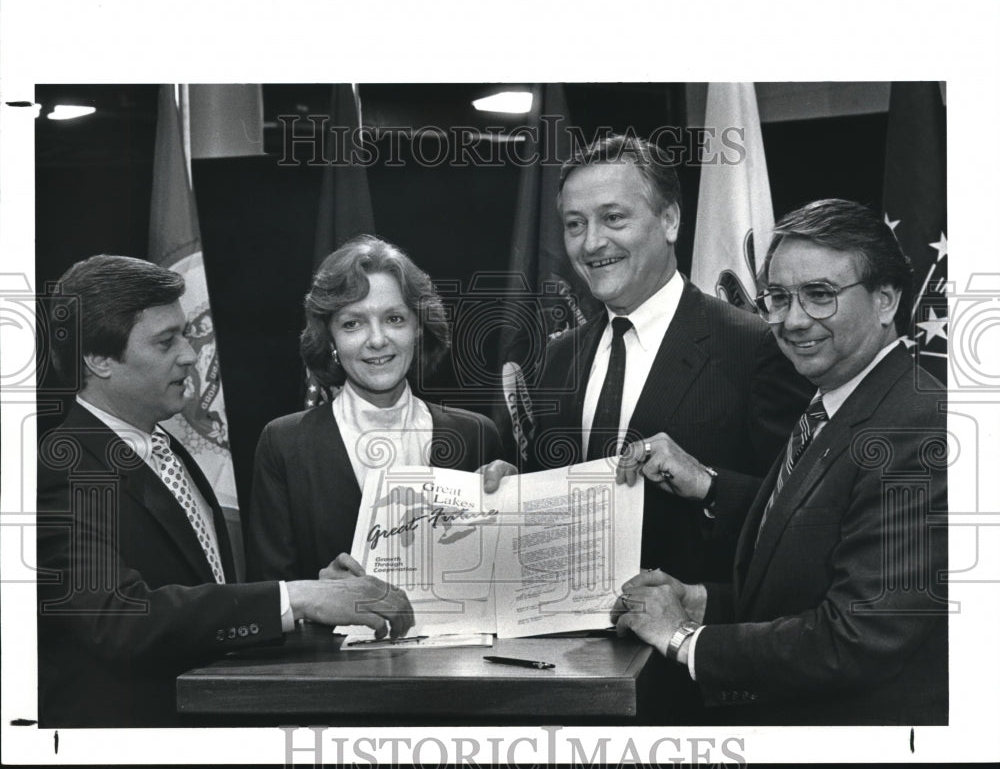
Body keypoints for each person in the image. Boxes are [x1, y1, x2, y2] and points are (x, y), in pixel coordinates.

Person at [36, 255, 414, 728]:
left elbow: (204, 599)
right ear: (98, 359)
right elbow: (117, 620)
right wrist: (295, 598)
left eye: (186, 334)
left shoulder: (164, 446)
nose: (191, 355)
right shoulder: (62, 466)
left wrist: (313, 593)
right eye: (165, 341)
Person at [614, 199, 948, 725]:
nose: (792, 321)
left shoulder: (919, 426)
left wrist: (685, 639)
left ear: (885, 300)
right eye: (777, 297)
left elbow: (857, 638)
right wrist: (701, 601)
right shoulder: (832, 401)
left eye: (819, 296)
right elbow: (802, 572)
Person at [526, 134, 812, 582]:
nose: (592, 243)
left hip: (688, 640)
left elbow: (801, 517)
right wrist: (506, 493)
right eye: (575, 224)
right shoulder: (558, 356)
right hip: (565, 643)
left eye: (613, 218)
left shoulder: (754, 348)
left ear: (670, 220)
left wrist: (709, 484)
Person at [246, 235, 510, 582]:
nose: (376, 339)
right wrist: (312, 596)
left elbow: (499, 580)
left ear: (418, 327)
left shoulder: (475, 434)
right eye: (352, 323)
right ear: (330, 339)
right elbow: (269, 591)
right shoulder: (284, 443)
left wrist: (514, 516)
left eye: (394, 319)